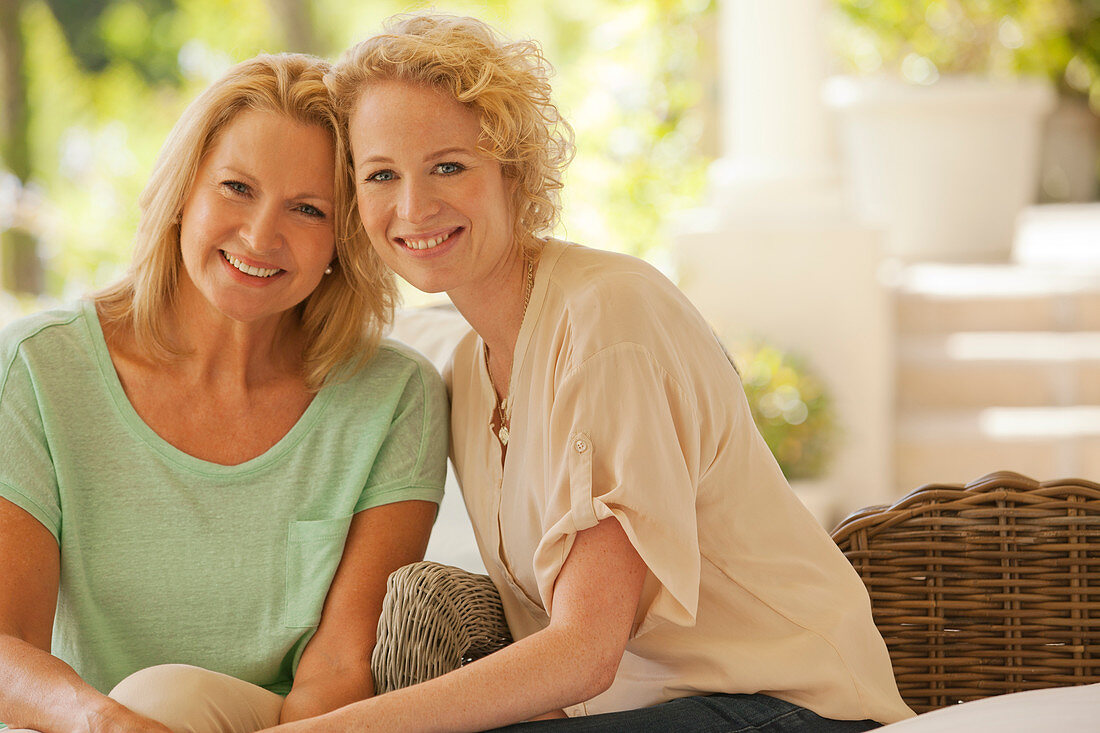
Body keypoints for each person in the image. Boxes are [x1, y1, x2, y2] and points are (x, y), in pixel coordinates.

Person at [258, 14, 916, 733]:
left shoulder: (608, 318)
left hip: (791, 708)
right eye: (381, 174)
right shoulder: (468, 365)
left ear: (512, 169)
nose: (413, 206)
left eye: (448, 164)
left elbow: (583, 653)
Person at [0, 52, 449, 733]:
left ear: (343, 237)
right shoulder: (38, 369)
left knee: (169, 698)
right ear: (185, 192)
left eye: (307, 208)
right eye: (237, 188)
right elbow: (7, 645)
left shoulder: (393, 397)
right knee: (155, 702)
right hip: (90, 727)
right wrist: (108, 722)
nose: (262, 235)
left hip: (291, 724)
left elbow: (339, 667)